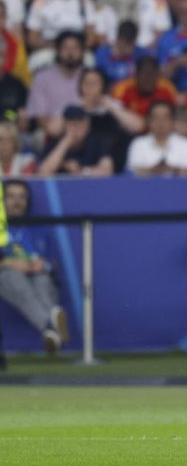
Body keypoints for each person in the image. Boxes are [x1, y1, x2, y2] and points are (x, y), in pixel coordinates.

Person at [0, 179, 68, 355]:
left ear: (28, 201)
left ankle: (49, 331)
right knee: (15, 279)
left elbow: (53, 263)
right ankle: (51, 322)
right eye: (11, 196)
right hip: (6, 277)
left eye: (21, 197)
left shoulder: (39, 228)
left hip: (38, 276)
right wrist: (11, 263)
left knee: (43, 279)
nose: (16, 201)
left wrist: (42, 264)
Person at [25, 31, 86, 138]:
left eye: (75, 48)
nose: (70, 53)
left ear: (82, 51)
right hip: (51, 134)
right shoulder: (42, 78)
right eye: (66, 48)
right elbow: (40, 117)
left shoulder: (90, 77)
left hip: (84, 132)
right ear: (58, 50)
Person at [38, 105, 114, 176]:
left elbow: (107, 170)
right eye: (73, 123)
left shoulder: (96, 143)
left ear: (88, 124)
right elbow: (44, 172)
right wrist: (67, 140)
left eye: (81, 122)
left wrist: (81, 171)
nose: (78, 127)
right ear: (65, 125)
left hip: (88, 185)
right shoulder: (55, 143)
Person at [126, 100, 187, 175]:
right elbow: (133, 172)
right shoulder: (138, 144)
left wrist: (166, 170)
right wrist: (158, 170)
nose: (161, 122)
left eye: (165, 118)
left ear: (172, 120)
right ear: (149, 120)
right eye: (156, 118)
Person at [112, 54, 177, 118]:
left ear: (158, 75)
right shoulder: (123, 89)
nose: (149, 79)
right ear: (136, 74)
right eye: (145, 74)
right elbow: (116, 115)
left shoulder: (166, 89)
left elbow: (174, 115)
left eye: (152, 74)